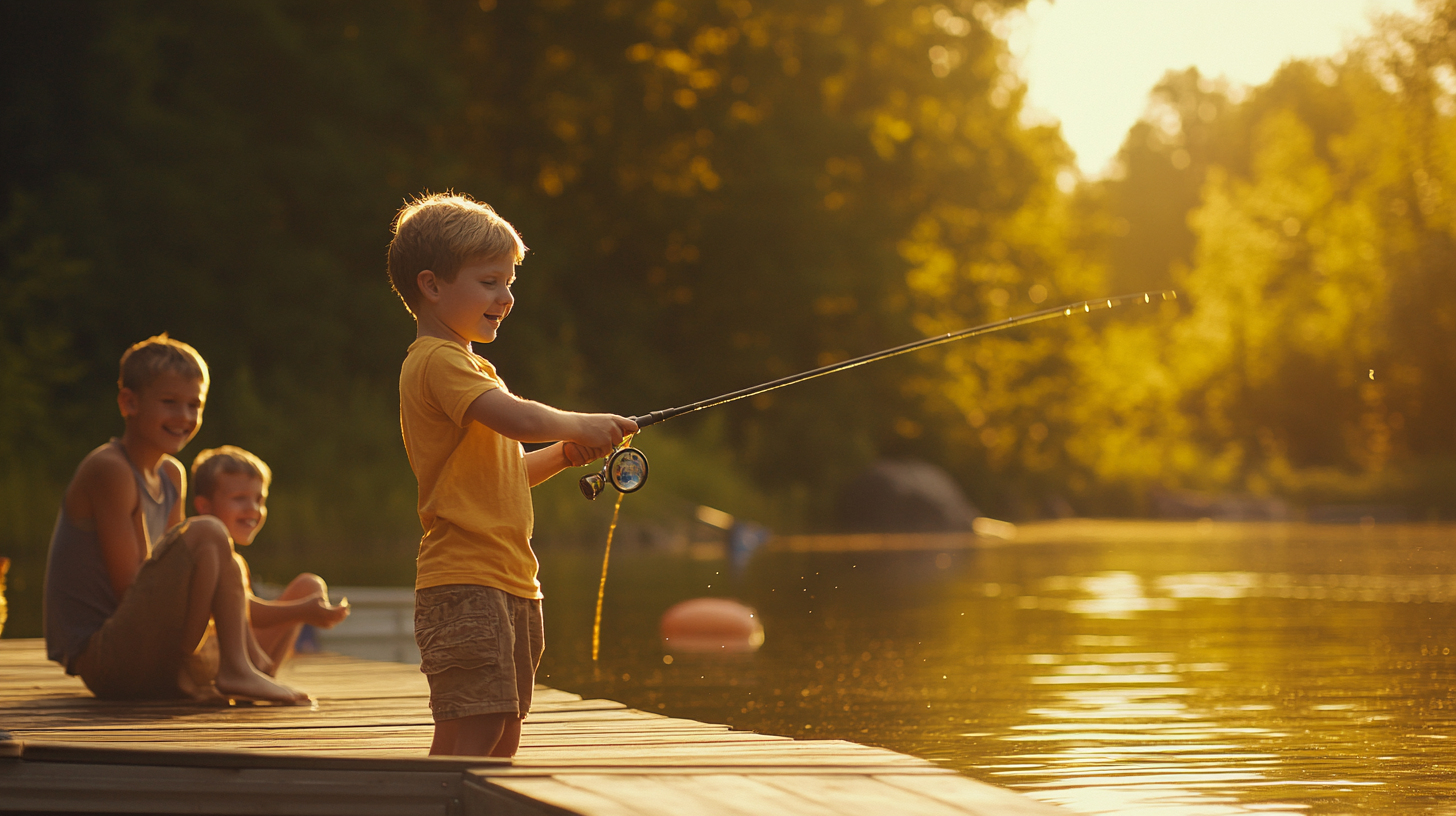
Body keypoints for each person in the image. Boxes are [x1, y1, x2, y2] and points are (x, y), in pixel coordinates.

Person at [388, 192, 637, 757]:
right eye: (489, 282)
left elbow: (500, 472)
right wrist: (582, 421)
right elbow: (520, 419)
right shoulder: (437, 361)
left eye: (509, 283)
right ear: (431, 285)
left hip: (511, 580)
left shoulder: (471, 366)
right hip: (465, 581)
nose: (506, 297)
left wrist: (564, 452)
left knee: (501, 735)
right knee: (477, 730)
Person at [42, 335, 309, 704]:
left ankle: (236, 667)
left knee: (224, 552)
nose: (184, 417)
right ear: (129, 402)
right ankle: (231, 667)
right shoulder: (110, 469)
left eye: (193, 405)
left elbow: (177, 572)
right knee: (209, 529)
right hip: (106, 658)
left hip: (152, 649)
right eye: (170, 403)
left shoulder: (171, 475)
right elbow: (131, 588)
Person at [189, 445, 350, 676]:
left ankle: (263, 676)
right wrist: (302, 611)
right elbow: (248, 611)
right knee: (305, 596)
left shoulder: (236, 560)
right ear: (204, 506)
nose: (253, 509)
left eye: (259, 500)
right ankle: (252, 677)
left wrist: (304, 608)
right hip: (207, 662)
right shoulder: (205, 556)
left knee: (309, 586)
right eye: (239, 499)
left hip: (236, 656)